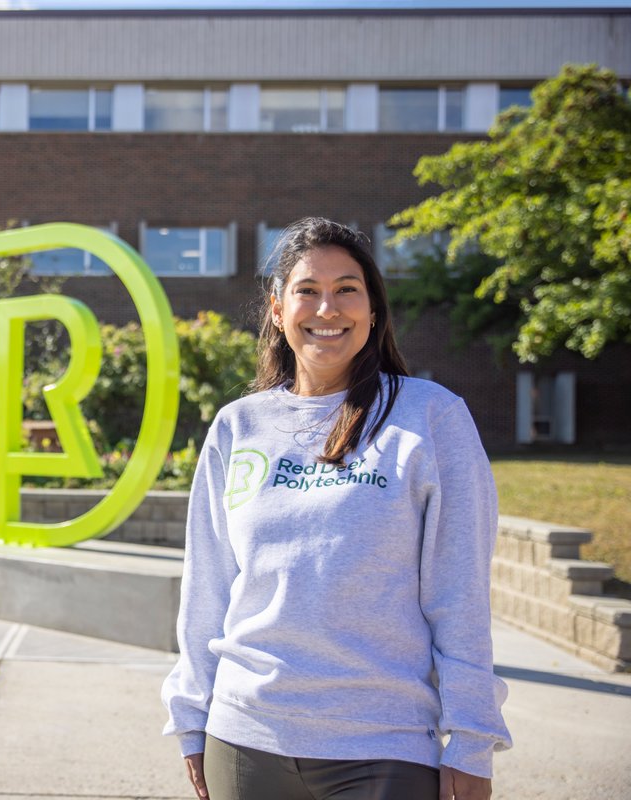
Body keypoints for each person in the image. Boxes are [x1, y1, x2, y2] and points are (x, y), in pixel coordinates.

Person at [161, 218, 511, 800]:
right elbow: (208, 588)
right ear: (278, 309)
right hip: (244, 736)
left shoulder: (429, 418)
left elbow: (460, 593)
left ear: (373, 310)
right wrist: (190, 716)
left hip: (382, 744)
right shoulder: (240, 426)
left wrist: (473, 737)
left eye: (348, 289)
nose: (328, 307)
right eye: (307, 290)